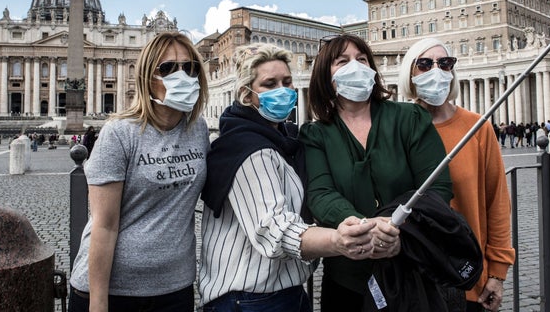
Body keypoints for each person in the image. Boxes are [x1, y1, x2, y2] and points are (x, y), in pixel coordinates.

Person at [199, 44, 377, 312]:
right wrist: (338, 241)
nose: (281, 90)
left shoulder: (283, 140)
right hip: (250, 298)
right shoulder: (249, 150)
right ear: (247, 95)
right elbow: (275, 229)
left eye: (286, 81)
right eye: (269, 84)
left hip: (281, 292)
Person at [299, 34, 453, 312]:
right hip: (346, 280)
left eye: (362, 59)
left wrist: (399, 235)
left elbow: (437, 187)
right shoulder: (315, 134)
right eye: (342, 61)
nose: (355, 66)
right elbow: (321, 193)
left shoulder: (410, 118)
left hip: (412, 271)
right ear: (325, 74)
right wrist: (364, 229)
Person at [68, 32, 210, 312]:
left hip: (175, 286)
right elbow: (104, 226)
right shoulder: (119, 134)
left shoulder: (199, 130)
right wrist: (98, 304)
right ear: (148, 78)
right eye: (168, 68)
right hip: (115, 291)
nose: (182, 75)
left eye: (190, 67)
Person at [398, 37, 515, 312]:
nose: (436, 71)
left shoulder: (478, 127)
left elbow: (497, 203)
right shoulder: (396, 127)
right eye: (425, 64)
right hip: (412, 277)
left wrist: (497, 273)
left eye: (445, 63)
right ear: (410, 73)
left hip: (467, 275)